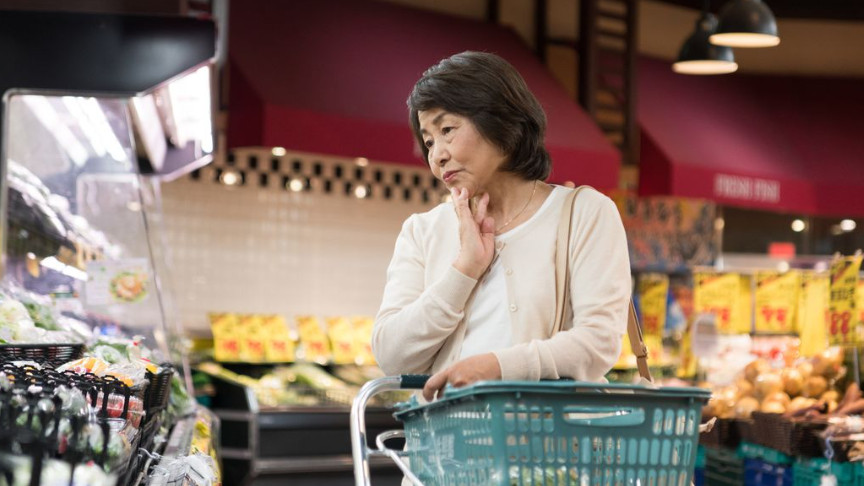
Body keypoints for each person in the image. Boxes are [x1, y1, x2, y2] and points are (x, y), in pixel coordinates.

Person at [371, 51, 631, 401]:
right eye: (429, 141)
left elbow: (598, 342)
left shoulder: (585, 213)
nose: (437, 155)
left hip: (552, 434)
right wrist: (464, 270)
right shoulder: (422, 231)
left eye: (447, 130)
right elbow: (391, 356)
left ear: (500, 120)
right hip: (447, 436)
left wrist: (497, 367)